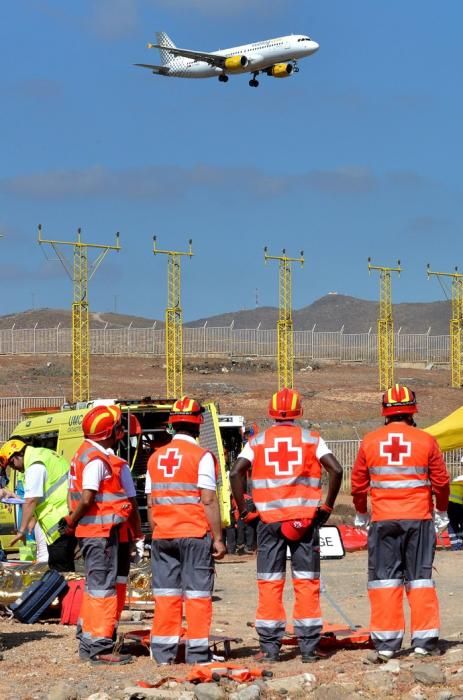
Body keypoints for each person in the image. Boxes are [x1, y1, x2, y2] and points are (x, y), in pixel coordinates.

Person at [230, 387, 343, 663]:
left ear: (271, 413)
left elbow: (236, 472)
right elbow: (336, 470)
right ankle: (307, 649)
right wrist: (326, 507)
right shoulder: (311, 439)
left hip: (269, 523)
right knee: (306, 581)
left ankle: (270, 648)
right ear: (299, 412)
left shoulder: (257, 442)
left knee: (270, 581)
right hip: (304, 521)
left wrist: (245, 508)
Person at [351, 384, 450, 661]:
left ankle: (386, 642)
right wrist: (441, 511)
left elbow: (358, 485)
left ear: (385, 412)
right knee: (420, 580)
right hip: (419, 518)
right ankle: (424, 641)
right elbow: (441, 482)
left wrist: (361, 513)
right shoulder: (425, 440)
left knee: (384, 580)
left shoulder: (370, 441)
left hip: (383, 520)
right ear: (412, 411)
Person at [145, 396, 226, 665]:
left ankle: (162, 654)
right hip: (193, 534)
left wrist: (158, 531)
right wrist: (218, 538)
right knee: (198, 595)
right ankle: (198, 654)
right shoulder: (201, 457)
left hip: (163, 536)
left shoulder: (155, 458)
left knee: (166, 595)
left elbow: (150, 502)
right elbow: (208, 499)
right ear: (198, 425)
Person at [65, 404, 142, 665]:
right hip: (99, 532)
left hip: (98, 531)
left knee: (96, 587)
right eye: (118, 427)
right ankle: (99, 646)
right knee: (102, 589)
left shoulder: (82, 455)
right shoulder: (97, 460)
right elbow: (87, 497)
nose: (121, 431)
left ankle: (91, 639)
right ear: (109, 432)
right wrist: (71, 521)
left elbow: (76, 496)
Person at [2, 438, 76, 571]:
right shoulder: (42, 455)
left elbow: (31, 500)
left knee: (61, 572)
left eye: (12, 463)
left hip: (60, 524)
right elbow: (44, 496)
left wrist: (21, 530)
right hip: (66, 520)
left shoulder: (35, 465)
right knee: (64, 570)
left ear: (18, 454)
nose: (14, 469)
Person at [447, 456, 463, 550]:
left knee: (452, 524)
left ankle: (455, 545)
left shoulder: (457, 479)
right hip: (460, 505)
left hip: (451, 505)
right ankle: (460, 543)